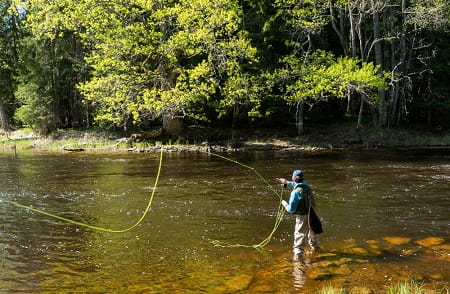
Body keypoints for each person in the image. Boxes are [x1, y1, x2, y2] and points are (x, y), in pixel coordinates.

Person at [277, 169, 320, 261]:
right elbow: (297, 186)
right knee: (312, 234)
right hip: (312, 214)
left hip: (302, 216)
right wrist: (286, 182)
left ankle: (297, 260)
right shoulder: (307, 186)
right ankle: (316, 252)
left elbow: (291, 209)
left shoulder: (295, 193)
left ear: (293, 178)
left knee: (299, 236)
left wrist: (284, 203)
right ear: (302, 179)